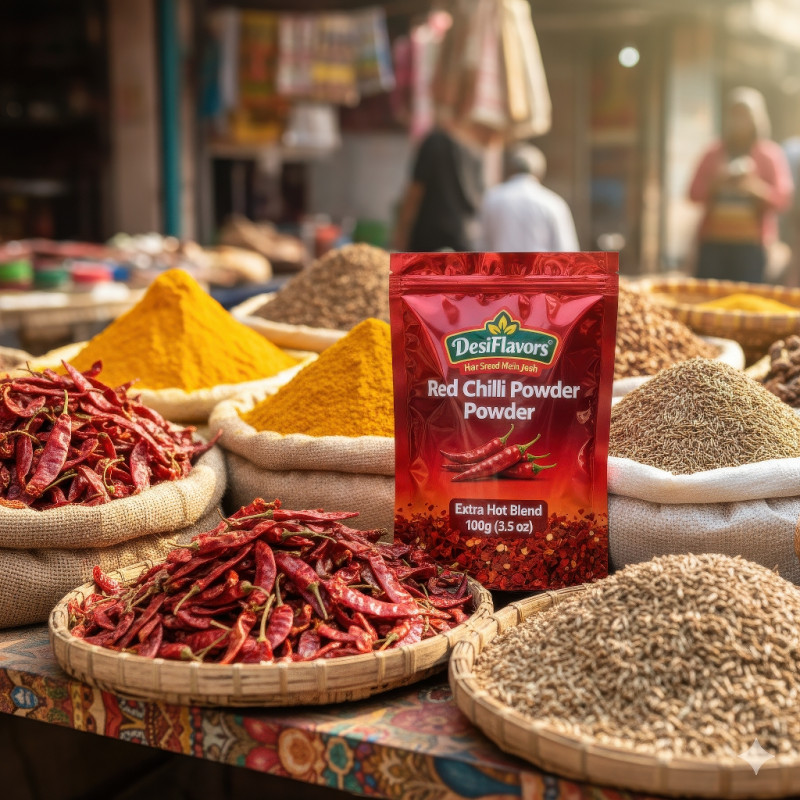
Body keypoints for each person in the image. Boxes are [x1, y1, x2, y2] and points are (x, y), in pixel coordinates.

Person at [688, 87, 793, 283]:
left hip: (751, 246)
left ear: (757, 119)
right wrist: (717, 183)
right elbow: (693, 194)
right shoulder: (713, 153)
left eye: (745, 116)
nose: (739, 122)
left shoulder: (770, 155)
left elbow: (783, 200)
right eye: (735, 116)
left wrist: (754, 188)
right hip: (714, 243)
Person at [392, 124, 485, 252]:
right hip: (462, 241)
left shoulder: (435, 142)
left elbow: (415, 191)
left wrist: (401, 233)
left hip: (428, 242)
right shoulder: (474, 150)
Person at [478, 144, 579, 251]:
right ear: (539, 172)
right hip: (540, 267)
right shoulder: (553, 203)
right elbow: (567, 251)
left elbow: (480, 244)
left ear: (511, 169)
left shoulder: (492, 198)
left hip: (500, 267)